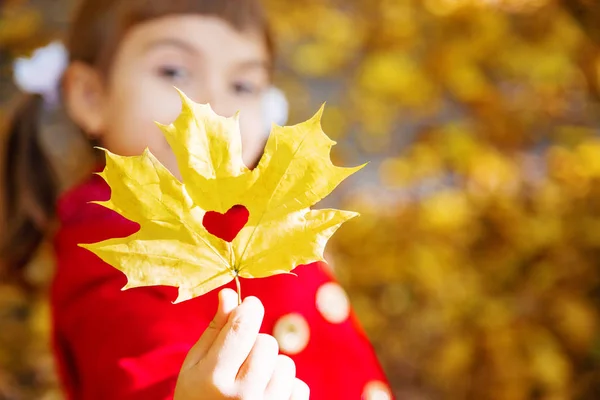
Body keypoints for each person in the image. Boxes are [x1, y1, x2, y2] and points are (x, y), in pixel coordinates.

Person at [1, 0, 392, 399]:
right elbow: (139, 373)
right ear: (90, 96)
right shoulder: (111, 247)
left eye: (243, 85)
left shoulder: (255, 217)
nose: (213, 106)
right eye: (175, 71)